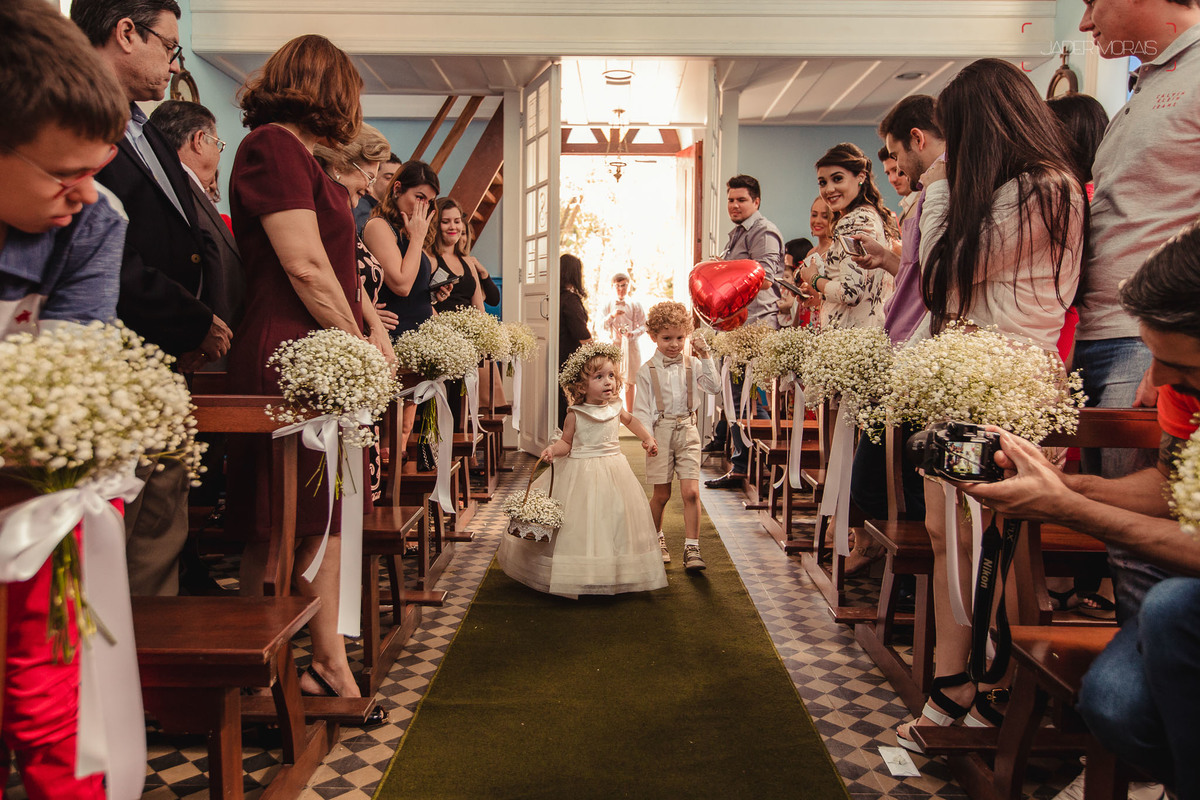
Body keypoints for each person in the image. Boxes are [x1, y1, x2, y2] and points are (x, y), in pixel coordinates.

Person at [955, 220, 1200, 800]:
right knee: (1109, 701)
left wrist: (1066, 508)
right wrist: (1064, 485)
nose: (1155, 380)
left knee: (1169, 607)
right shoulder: (1180, 382)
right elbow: (1172, 489)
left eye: (1180, 366)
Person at [895, 58, 1085, 752]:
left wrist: (940, 185)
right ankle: (953, 682)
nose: (952, 148)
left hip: (1011, 379)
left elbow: (947, 273)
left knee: (998, 546)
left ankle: (1000, 689)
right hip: (968, 375)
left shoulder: (1046, 187)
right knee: (952, 537)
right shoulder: (1006, 187)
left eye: (959, 131)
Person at [223, 33, 385, 722]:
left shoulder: (299, 154)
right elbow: (307, 266)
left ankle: (323, 658)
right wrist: (359, 349)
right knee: (280, 519)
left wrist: (362, 338)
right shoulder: (272, 149)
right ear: (326, 89)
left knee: (323, 512)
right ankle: (256, 666)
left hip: (313, 349)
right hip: (289, 348)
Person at [0, 1, 129, 795]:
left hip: (33, 482)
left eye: (96, 169)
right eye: (61, 172)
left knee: (51, 700)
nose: (84, 193)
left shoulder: (93, 221)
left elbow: (71, 374)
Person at [72, 0, 229, 598]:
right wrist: (191, 321)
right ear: (126, 32)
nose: (173, 61)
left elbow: (184, 238)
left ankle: (149, 678)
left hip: (161, 357)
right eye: (169, 45)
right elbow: (107, 251)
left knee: (159, 526)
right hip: (112, 352)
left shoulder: (143, 127)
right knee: (118, 528)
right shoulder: (77, 115)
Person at [497, 342, 667, 598]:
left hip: (614, 470)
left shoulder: (616, 408)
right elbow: (567, 442)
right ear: (581, 386)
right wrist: (553, 449)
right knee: (581, 523)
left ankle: (615, 570)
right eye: (599, 377)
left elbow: (631, 421)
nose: (608, 382)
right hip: (582, 472)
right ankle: (579, 573)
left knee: (617, 517)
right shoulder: (575, 414)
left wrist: (647, 438)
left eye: (611, 375)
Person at [314, 124, 398, 503]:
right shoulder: (330, 207)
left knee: (357, 483)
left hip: (360, 343)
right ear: (347, 163)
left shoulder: (345, 210)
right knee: (335, 490)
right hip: (342, 344)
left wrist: (376, 329)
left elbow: (356, 281)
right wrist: (362, 337)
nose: (363, 194)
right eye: (369, 179)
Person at [704, 174, 784, 489]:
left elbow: (767, 278)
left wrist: (727, 271)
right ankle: (742, 465)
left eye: (741, 200)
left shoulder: (763, 231)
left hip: (755, 327)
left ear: (756, 202)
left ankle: (762, 466)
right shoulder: (737, 233)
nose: (734, 205)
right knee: (736, 398)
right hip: (736, 327)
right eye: (731, 200)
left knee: (752, 398)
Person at [148, 99, 245, 348]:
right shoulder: (178, 190)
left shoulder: (179, 187)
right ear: (199, 140)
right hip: (195, 340)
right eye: (219, 145)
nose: (218, 154)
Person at [633, 302, 722, 571]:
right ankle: (655, 540)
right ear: (653, 337)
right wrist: (648, 438)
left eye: (680, 338)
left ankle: (692, 548)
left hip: (688, 430)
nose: (674, 344)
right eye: (667, 338)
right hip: (660, 432)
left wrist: (705, 355)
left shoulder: (693, 364)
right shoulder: (647, 370)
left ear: (687, 335)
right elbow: (641, 409)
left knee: (691, 492)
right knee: (661, 494)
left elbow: (714, 386)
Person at [796, 142, 898, 332]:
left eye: (837, 179)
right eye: (823, 182)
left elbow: (850, 292)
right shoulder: (872, 215)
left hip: (848, 337)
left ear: (860, 177)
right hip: (868, 333)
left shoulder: (853, 222)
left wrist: (814, 279)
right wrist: (819, 293)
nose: (829, 189)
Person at [426, 196, 487, 313]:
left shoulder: (467, 261)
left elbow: (479, 307)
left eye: (457, 221)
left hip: (470, 327)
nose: (453, 227)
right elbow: (421, 303)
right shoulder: (429, 258)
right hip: (439, 327)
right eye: (445, 222)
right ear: (436, 224)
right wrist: (445, 330)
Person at [602, 271, 646, 413]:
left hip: (632, 346)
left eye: (624, 285)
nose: (621, 289)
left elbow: (645, 325)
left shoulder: (635, 304)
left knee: (630, 381)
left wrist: (631, 334)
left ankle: (630, 414)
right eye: (617, 286)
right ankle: (613, 413)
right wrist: (612, 315)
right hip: (614, 346)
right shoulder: (608, 305)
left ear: (629, 285)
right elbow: (601, 325)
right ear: (612, 286)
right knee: (612, 378)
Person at [557, 253, 592, 429]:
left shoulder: (555, 297)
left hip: (558, 355)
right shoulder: (570, 300)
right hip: (568, 359)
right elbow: (582, 335)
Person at [353, 151, 399, 234]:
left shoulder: (390, 214)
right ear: (373, 177)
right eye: (388, 178)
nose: (394, 185)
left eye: (398, 180)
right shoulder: (360, 207)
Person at [878, 144, 916, 225]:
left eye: (895, 170)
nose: (893, 179)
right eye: (888, 173)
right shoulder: (903, 213)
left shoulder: (925, 203)